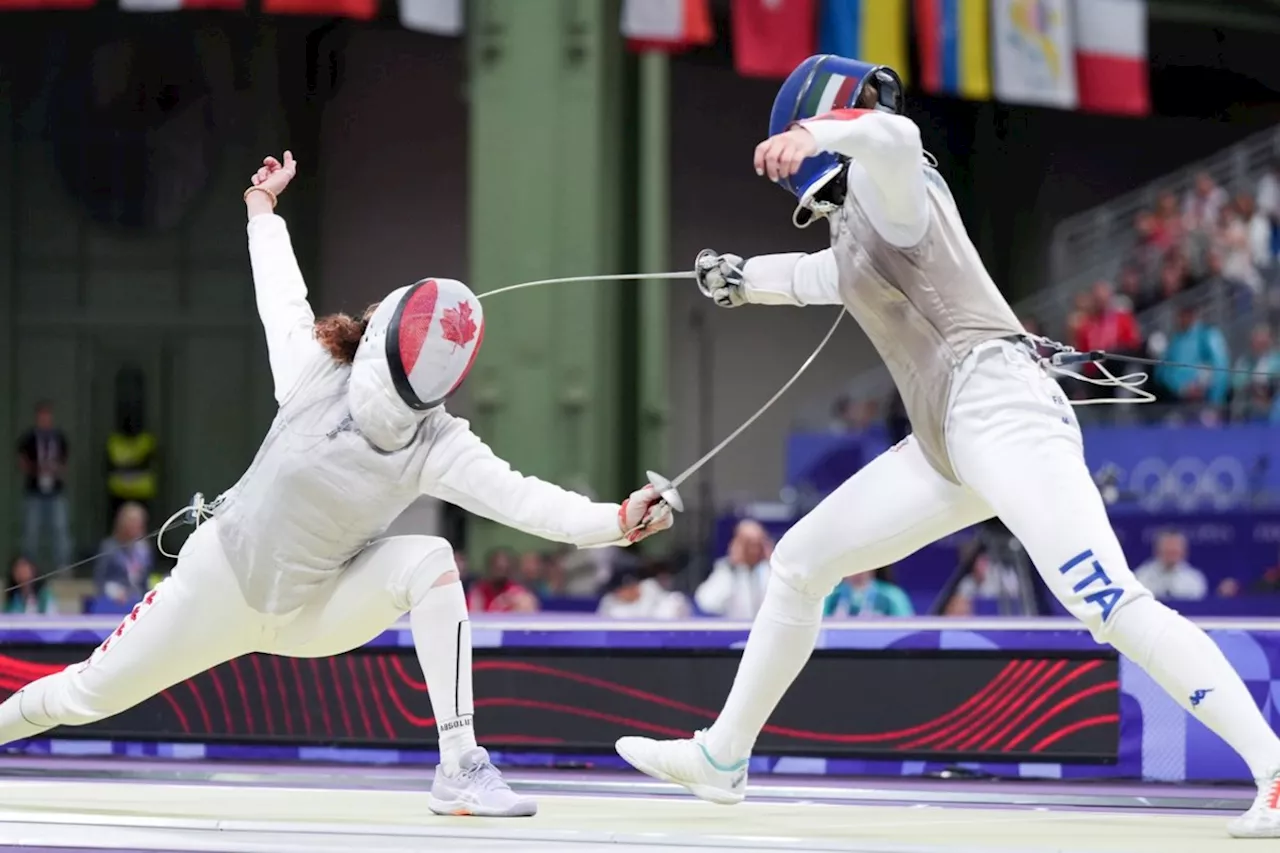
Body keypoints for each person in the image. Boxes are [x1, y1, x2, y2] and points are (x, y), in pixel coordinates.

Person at [613, 56, 1280, 838]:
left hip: (1002, 411)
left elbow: (893, 138)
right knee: (797, 562)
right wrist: (739, 279)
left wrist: (812, 131)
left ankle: (1273, 767)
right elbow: (815, 276)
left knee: (1108, 602)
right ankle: (724, 757)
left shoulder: (897, 191)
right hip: (946, 442)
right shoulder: (857, 236)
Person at [0, 152, 672, 819]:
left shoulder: (437, 442)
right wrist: (262, 210)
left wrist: (617, 519)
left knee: (433, 561)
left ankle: (460, 764)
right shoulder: (314, 367)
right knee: (82, 694)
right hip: (217, 585)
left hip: (314, 609)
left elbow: (528, 499)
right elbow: (282, 294)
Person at [16, 401, 72, 572]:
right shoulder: (29, 438)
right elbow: (22, 461)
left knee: (60, 529)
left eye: (47, 417)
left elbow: (65, 462)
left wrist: (55, 470)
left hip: (55, 490)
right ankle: (28, 568)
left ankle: (63, 566)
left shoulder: (59, 437)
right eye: (41, 417)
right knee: (30, 532)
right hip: (34, 490)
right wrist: (35, 469)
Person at [694, 520, 771, 619]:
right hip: (735, 630)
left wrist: (772, 561)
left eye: (758, 544)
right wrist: (732, 566)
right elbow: (706, 602)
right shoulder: (726, 571)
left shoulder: (770, 570)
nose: (754, 550)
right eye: (749, 544)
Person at [93, 502, 157, 607]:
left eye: (139, 522)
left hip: (140, 602)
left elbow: (147, 577)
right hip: (115, 603)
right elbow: (100, 580)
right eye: (132, 522)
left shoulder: (144, 548)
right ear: (122, 524)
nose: (136, 526)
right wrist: (114, 592)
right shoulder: (109, 547)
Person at [1134, 531, 1208, 602]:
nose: (1171, 556)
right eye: (1167, 551)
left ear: (1184, 552)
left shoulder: (1195, 579)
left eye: (1174, 552)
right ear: (1157, 551)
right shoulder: (1141, 577)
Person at [823, 567, 912, 618]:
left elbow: (906, 632)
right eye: (852, 564)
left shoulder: (892, 595)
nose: (858, 570)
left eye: (863, 565)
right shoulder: (829, 595)